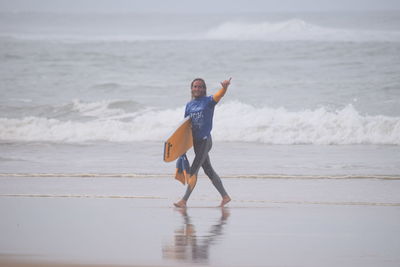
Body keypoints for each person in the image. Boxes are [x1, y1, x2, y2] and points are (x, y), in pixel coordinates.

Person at [174, 78, 232, 208]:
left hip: (205, 141)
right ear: (191, 89)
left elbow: (219, 95)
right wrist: (182, 148)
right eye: (195, 86)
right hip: (196, 143)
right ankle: (225, 196)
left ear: (204, 89)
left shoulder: (208, 102)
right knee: (208, 170)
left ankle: (184, 200)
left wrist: (224, 88)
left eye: (200, 87)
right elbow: (185, 127)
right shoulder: (189, 106)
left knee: (194, 170)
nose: (197, 89)